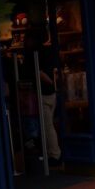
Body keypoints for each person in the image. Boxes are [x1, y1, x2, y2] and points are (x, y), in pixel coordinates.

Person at [25, 28, 61, 167]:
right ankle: (49, 153)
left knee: (47, 126)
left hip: (43, 93)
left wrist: (50, 82)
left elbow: (39, 72)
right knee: (48, 124)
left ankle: (54, 154)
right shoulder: (49, 51)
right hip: (51, 93)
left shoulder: (35, 54)